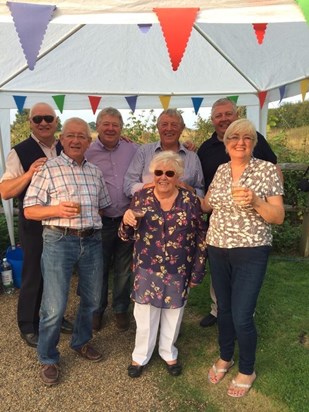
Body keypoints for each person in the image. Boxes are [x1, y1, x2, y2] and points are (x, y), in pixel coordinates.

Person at [23, 117, 111, 385]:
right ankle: (48, 357)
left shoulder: (94, 171)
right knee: (54, 305)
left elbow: (104, 205)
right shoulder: (47, 169)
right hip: (59, 240)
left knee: (93, 300)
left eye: (81, 136)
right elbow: (29, 210)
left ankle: (81, 341)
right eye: (70, 135)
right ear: (62, 140)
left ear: (89, 141)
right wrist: (56, 210)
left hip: (92, 240)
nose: (75, 140)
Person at [201, 119, 284, 397]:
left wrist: (257, 202)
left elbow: (279, 217)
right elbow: (207, 204)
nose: (240, 142)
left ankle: (247, 369)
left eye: (247, 138)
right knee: (223, 309)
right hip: (218, 247)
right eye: (234, 137)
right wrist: (177, 188)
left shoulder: (266, 170)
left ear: (254, 143)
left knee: (242, 315)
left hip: (251, 250)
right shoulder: (222, 171)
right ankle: (226, 356)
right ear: (225, 143)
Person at [119, 151, 207, 378]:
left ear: (178, 175)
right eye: (159, 172)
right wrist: (126, 221)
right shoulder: (141, 198)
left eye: (170, 172)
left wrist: (197, 272)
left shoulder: (190, 201)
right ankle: (140, 357)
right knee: (145, 315)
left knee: (174, 313)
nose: (164, 177)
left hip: (179, 268)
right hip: (147, 267)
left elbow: (200, 237)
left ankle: (169, 352)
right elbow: (125, 236)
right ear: (152, 174)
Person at [197, 98, 281, 328]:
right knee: (220, 280)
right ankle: (219, 311)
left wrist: (270, 198)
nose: (223, 118)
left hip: (250, 230)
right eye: (218, 115)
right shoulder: (205, 148)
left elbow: (274, 169)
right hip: (219, 220)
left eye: (228, 114)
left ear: (236, 115)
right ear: (213, 121)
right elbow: (205, 186)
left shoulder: (255, 140)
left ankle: (242, 315)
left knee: (243, 289)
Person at [0, 103, 73, 347]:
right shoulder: (19, 151)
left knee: (59, 274)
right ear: (30, 122)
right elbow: (6, 191)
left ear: (56, 121)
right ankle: (28, 324)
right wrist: (29, 173)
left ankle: (55, 316)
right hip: (35, 223)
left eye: (48, 118)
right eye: (38, 118)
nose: (43, 123)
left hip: (62, 222)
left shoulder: (65, 146)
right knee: (34, 274)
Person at [85, 107, 138, 331]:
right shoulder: (86, 151)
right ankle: (96, 310)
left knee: (124, 268)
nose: (110, 128)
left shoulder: (133, 149)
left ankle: (120, 308)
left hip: (127, 218)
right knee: (99, 267)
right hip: (101, 220)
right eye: (106, 124)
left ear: (121, 128)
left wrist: (189, 147)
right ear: (97, 126)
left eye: (115, 125)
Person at [124, 108, 204, 198]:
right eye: (164, 124)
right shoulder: (144, 152)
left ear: (182, 128)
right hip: (148, 210)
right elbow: (128, 185)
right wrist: (153, 186)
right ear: (157, 127)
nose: (169, 129)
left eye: (174, 125)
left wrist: (188, 188)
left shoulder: (192, 157)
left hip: (184, 210)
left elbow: (201, 192)